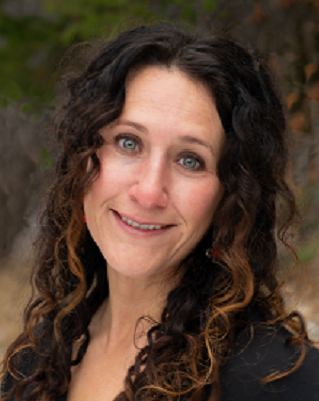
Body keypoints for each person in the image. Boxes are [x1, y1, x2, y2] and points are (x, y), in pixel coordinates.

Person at [1, 23, 319, 401]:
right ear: (82, 159)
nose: (149, 191)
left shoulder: (277, 378)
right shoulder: (39, 355)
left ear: (232, 196)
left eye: (190, 160)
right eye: (129, 142)